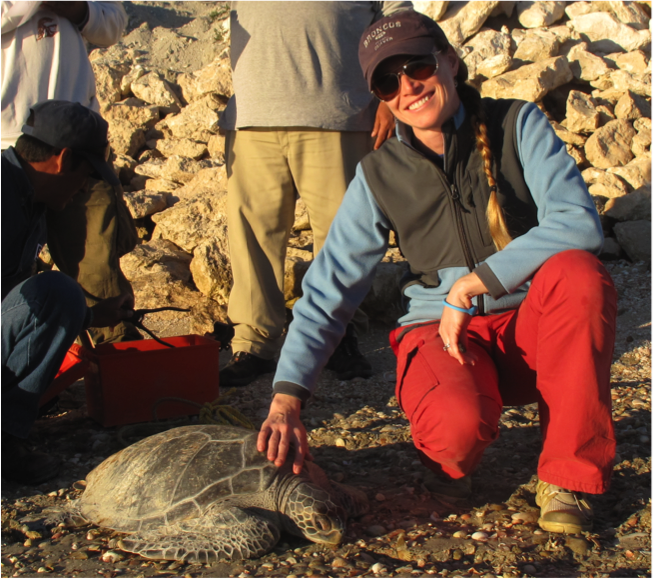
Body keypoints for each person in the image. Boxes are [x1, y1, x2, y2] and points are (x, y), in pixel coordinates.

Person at [256, 11, 617, 535]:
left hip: (533, 332)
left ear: (448, 61)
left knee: (580, 275)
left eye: (417, 66)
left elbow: (579, 224)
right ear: (380, 96)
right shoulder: (378, 174)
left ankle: (568, 478)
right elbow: (329, 289)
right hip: (444, 338)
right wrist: (287, 398)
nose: (408, 87)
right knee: (455, 432)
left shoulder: (518, 122)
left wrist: (477, 282)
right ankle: (448, 458)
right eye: (388, 80)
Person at [218, 0, 413, 387]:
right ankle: (253, 343)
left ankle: (337, 336)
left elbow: (398, 19)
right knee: (251, 238)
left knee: (343, 237)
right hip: (253, 120)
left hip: (342, 117)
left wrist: (392, 94)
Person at [1, 101, 136, 485]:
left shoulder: (27, 196)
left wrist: (95, 316)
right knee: (59, 291)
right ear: (63, 159)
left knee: (61, 296)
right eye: (86, 175)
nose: (84, 187)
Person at [1, 0, 140, 344]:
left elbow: (111, 26)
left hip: (78, 144)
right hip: (10, 139)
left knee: (96, 270)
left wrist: (78, 8)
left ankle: (118, 373)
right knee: (11, 275)